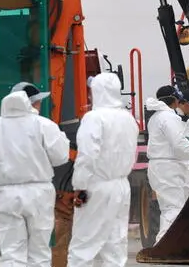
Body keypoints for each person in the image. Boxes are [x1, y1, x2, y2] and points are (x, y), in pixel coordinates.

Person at [0, 82, 70, 267]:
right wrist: (62, 139)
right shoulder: (44, 125)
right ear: (31, 103)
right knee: (39, 252)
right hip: (40, 193)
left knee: (11, 254)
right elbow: (60, 157)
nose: (40, 105)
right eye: (38, 101)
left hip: (8, 195)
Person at [66, 73, 140, 267]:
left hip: (95, 186)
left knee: (84, 241)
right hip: (121, 185)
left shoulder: (94, 118)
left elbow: (87, 155)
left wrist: (79, 186)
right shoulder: (128, 119)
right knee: (115, 242)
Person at [145, 85, 189, 243]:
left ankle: (166, 245)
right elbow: (179, 143)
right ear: (174, 99)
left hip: (161, 167)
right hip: (167, 168)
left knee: (169, 208)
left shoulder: (156, 117)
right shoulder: (168, 118)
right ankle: (164, 245)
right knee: (173, 208)